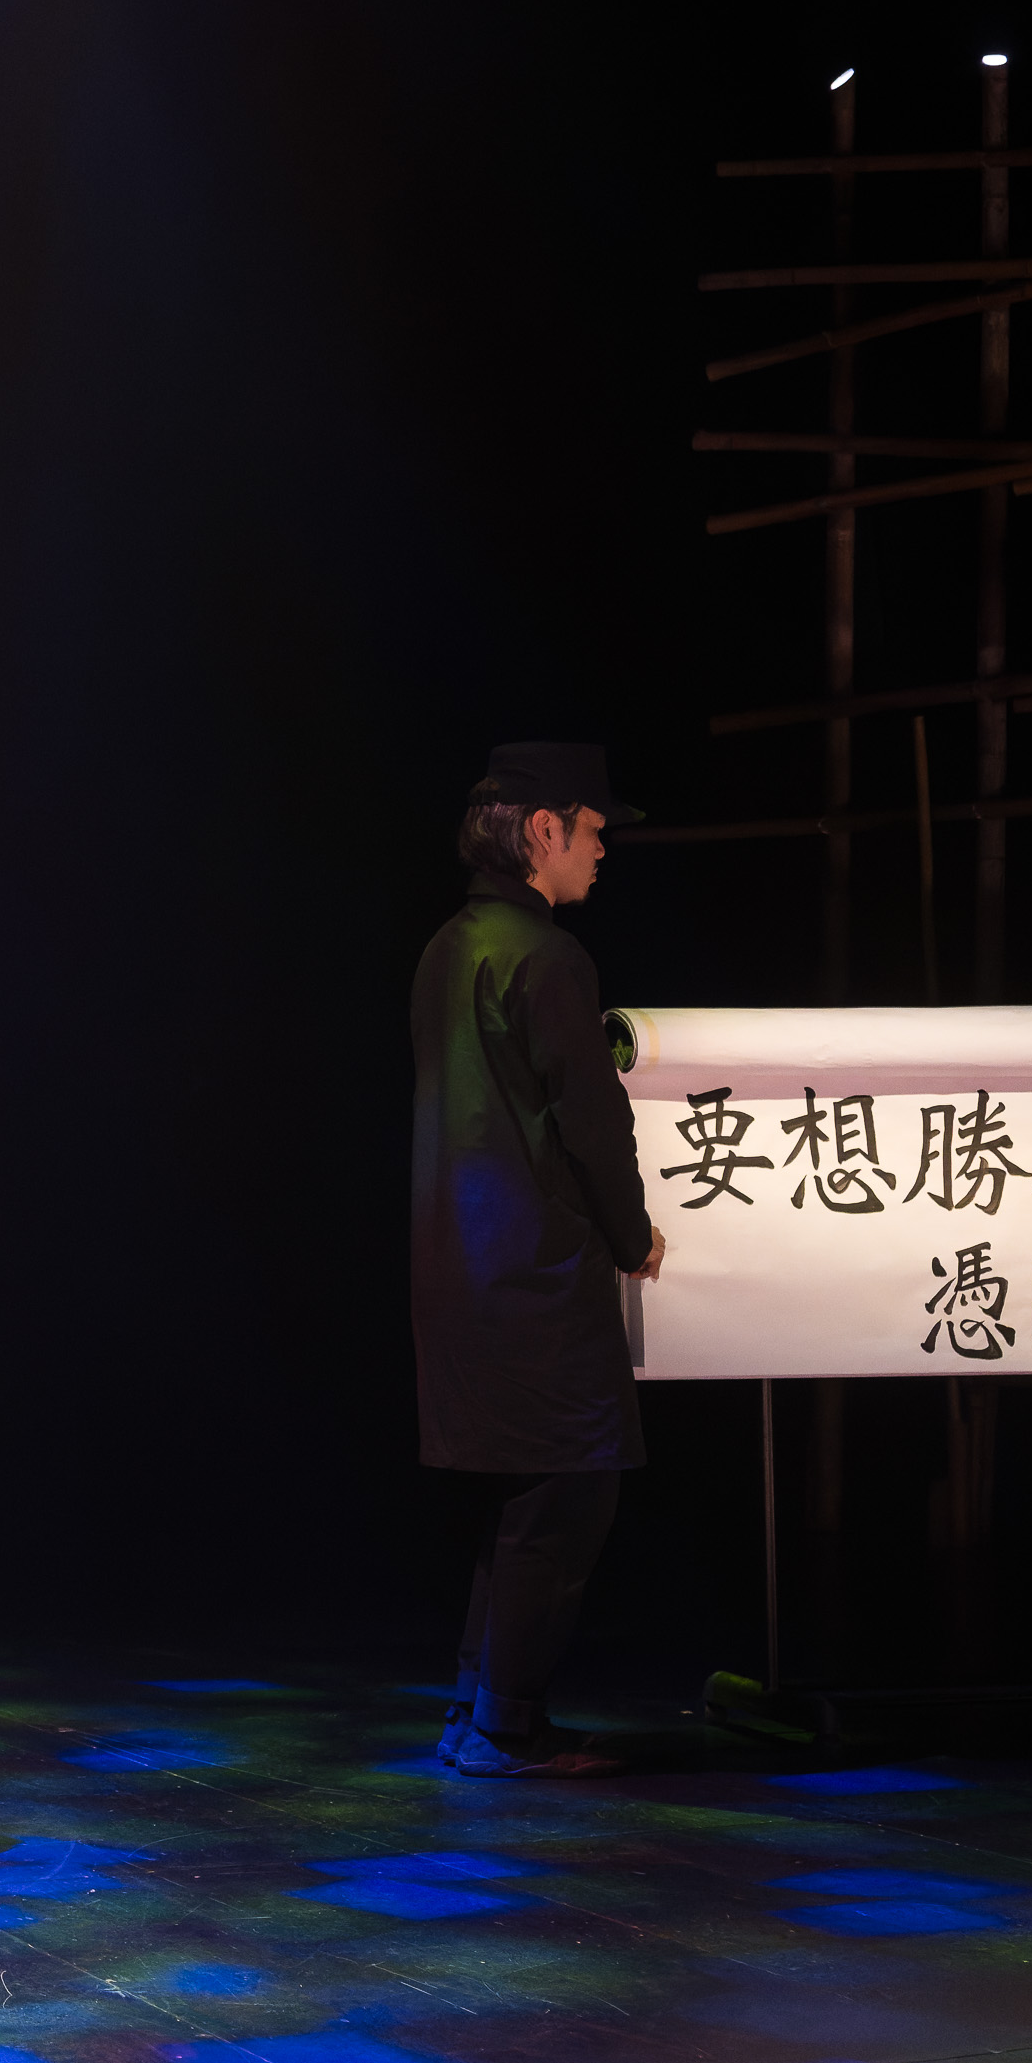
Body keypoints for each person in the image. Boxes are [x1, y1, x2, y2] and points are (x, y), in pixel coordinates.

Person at [408, 740, 663, 1779]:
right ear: (544, 829)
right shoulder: (547, 957)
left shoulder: (448, 946)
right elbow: (590, 1121)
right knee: (566, 1493)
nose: (602, 849)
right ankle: (504, 1727)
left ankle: (480, 1710)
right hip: (536, 1268)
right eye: (594, 829)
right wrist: (632, 1233)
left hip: (461, 1260)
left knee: (526, 1498)